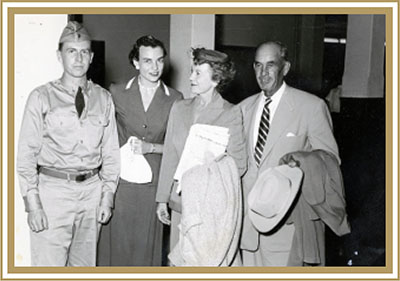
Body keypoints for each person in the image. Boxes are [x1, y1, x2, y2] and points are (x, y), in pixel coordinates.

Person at [16, 21, 120, 266]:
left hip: (92, 193)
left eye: (84, 51)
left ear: (92, 57)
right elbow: (26, 156)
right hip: (53, 193)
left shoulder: (104, 99)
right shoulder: (41, 97)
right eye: (71, 51)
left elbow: (111, 153)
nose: (78, 58)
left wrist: (107, 196)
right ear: (59, 55)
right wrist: (33, 204)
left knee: (84, 268)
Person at [239, 41, 342, 266]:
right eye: (258, 65)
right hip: (247, 228)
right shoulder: (243, 109)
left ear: (285, 68)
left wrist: (302, 162)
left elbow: (331, 161)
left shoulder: (311, 107)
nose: (263, 73)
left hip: (287, 225)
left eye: (271, 65)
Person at [97, 35, 183, 266]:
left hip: (153, 186)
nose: (154, 67)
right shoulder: (116, 92)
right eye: (147, 61)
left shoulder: (175, 99)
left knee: (146, 252)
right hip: (121, 184)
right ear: (136, 63)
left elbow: (179, 148)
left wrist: (151, 147)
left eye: (159, 61)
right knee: (116, 249)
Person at [155, 48, 247, 262]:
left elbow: (240, 164)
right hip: (179, 203)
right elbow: (170, 155)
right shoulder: (179, 108)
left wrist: (212, 165)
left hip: (210, 208)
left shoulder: (230, 113)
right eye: (191, 71)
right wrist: (161, 199)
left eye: (198, 73)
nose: (190, 78)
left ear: (216, 79)